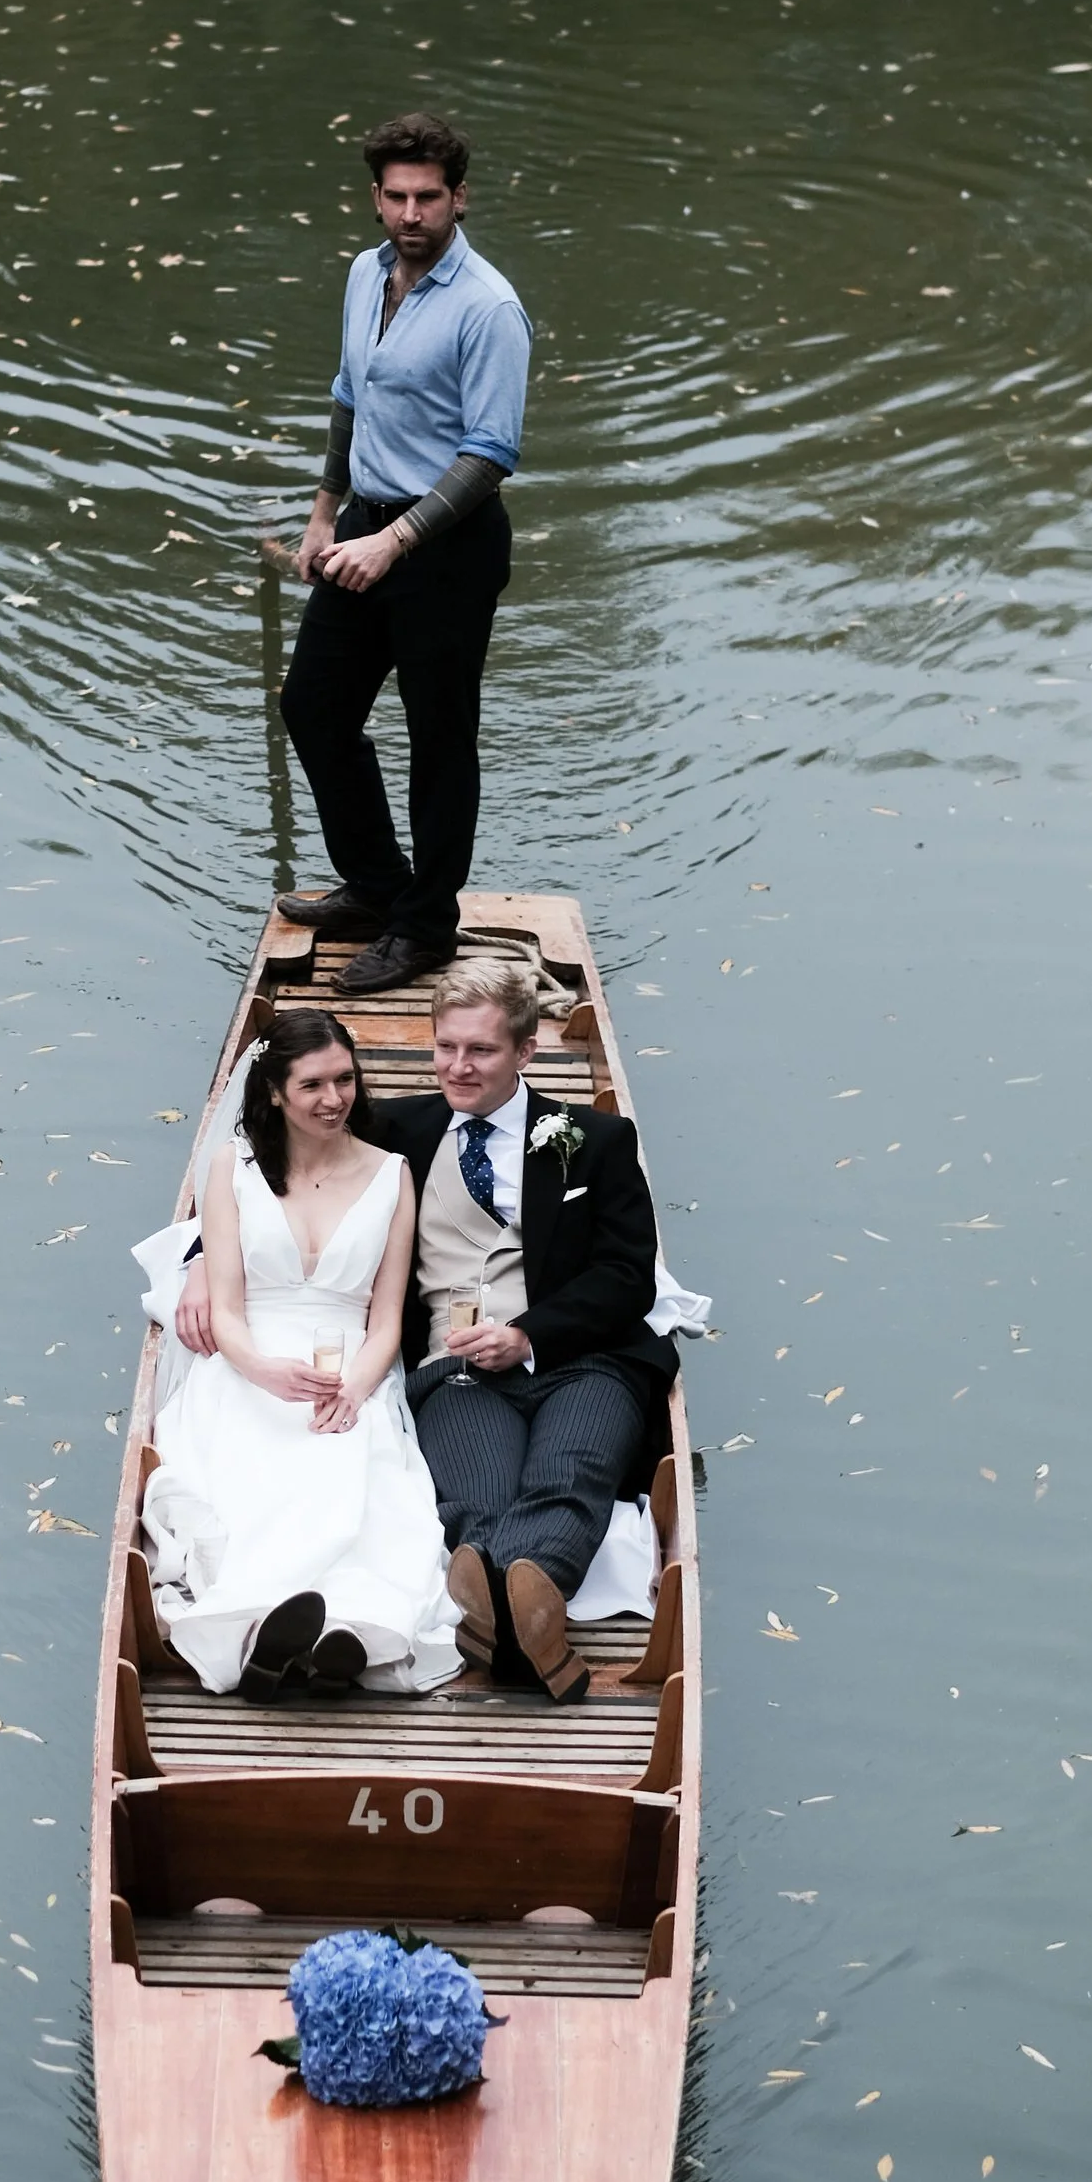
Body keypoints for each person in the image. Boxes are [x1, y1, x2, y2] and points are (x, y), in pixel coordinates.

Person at [179, 957, 677, 1704]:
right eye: (445, 1047)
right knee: (473, 1495)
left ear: (526, 1051)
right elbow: (289, 1166)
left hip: (585, 1362)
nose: (458, 1066)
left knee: (568, 1477)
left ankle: (511, 1607)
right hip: (456, 1371)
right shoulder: (403, 1127)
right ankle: (512, 1605)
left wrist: (530, 1332)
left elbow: (627, 1273)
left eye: (480, 1050)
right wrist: (197, 1256)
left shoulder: (594, 1139)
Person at [277, 111, 532, 998]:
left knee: (438, 737)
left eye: (430, 197)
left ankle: (425, 927)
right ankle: (378, 887)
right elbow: (351, 396)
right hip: (363, 525)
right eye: (397, 196)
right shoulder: (362, 274)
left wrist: (395, 541)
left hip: (447, 546)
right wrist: (323, 517)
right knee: (312, 707)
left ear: (459, 198)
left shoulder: (488, 307)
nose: (412, 213)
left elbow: (491, 453)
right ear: (377, 197)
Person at [141, 1008, 460, 1702]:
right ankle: (263, 1636)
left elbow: (386, 1319)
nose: (334, 1098)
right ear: (276, 1092)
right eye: (313, 1084)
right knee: (257, 1477)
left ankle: (344, 1635)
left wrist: (354, 1389)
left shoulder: (392, 1173)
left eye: (345, 1079)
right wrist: (261, 1369)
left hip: (353, 1368)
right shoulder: (234, 1167)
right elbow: (225, 1309)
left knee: (351, 1478)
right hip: (250, 1364)